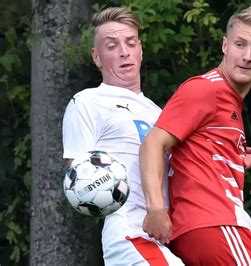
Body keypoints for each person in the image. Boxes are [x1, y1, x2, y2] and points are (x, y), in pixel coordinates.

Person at [139, 6, 251, 265]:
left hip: (209, 228)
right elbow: (153, 144)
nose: (247, 56)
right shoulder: (206, 89)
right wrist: (155, 208)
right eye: (240, 44)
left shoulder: (231, 100)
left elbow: (197, 149)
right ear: (225, 45)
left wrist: (233, 158)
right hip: (213, 223)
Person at [62, 7, 183, 265]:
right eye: (112, 46)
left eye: (130, 43)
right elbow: (78, 180)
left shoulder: (158, 112)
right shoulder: (87, 102)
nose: (124, 52)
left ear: (140, 49)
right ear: (96, 56)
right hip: (130, 232)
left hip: (166, 237)